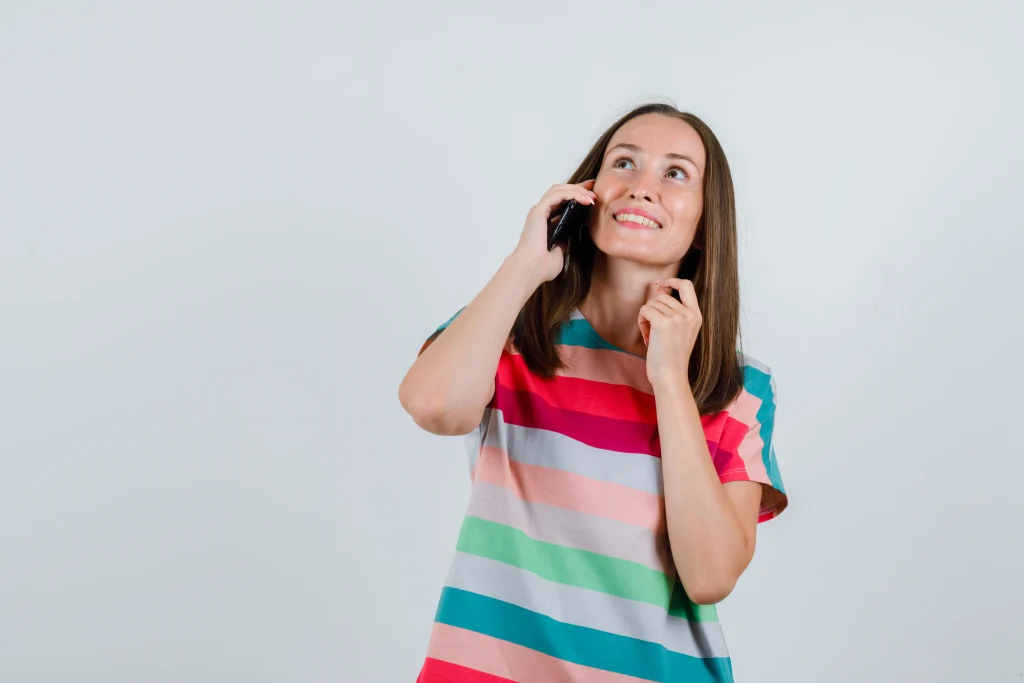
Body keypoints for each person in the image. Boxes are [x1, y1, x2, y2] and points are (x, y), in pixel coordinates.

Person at [398, 102, 788, 683]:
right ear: (587, 193)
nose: (642, 186)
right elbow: (433, 407)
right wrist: (525, 266)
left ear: (708, 224)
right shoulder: (512, 329)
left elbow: (710, 576)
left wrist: (670, 382)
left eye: (675, 173)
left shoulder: (738, 388)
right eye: (623, 163)